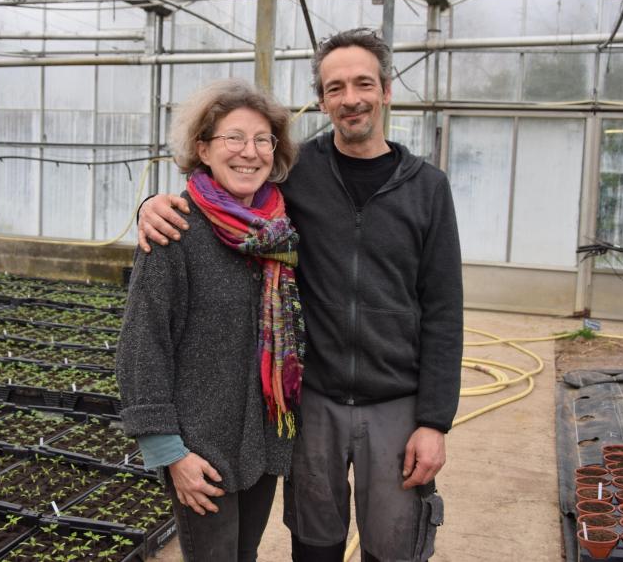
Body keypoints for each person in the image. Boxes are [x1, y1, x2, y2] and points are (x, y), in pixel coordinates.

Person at [137, 28, 464, 562]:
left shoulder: (427, 187)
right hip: (311, 404)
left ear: (385, 89)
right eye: (335, 87)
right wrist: (151, 204)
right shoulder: (297, 173)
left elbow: (445, 310)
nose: (350, 98)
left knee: (394, 544)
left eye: (363, 83)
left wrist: (434, 421)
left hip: (395, 404)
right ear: (321, 98)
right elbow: (223, 192)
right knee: (314, 545)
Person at [116, 78, 305, 562]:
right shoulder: (174, 229)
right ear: (203, 147)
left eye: (263, 139)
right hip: (201, 450)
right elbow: (143, 345)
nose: (250, 152)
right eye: (234, 138)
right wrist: (170, 453)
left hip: (262, 440)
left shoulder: (279, 231)